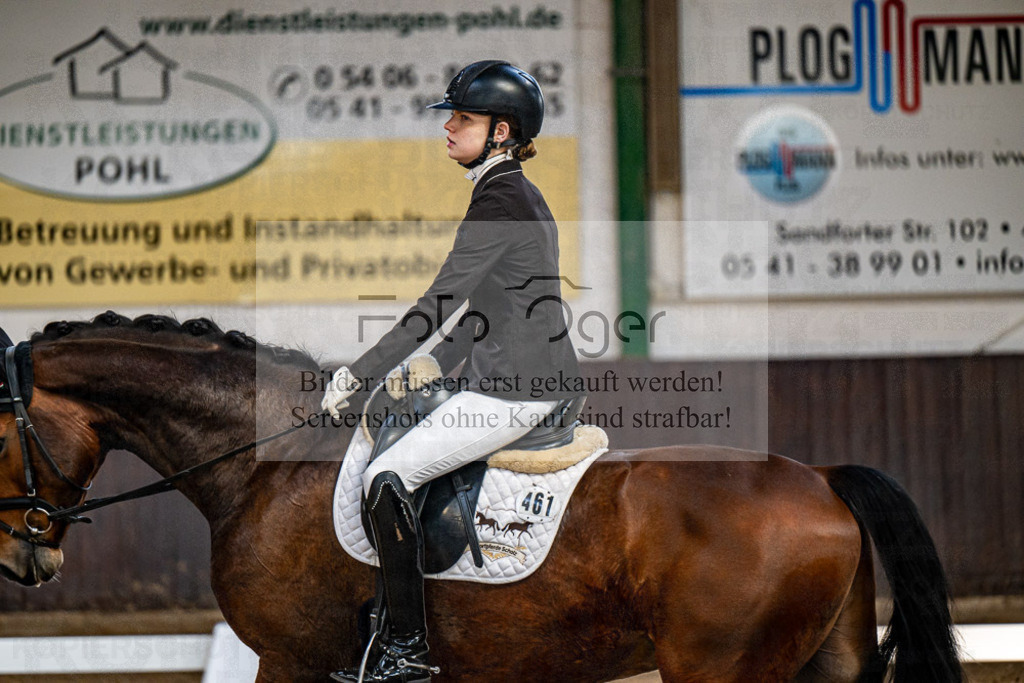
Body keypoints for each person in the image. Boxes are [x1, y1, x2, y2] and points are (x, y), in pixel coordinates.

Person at [322, 60, 583, 683]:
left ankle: (405, 647)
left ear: (500, 131)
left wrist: (359, 374)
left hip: (517, 390)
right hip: (517, 375)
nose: (448, 128)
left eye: (462, 118)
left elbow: (439, 301)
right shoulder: (513, 192)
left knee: (386, 475)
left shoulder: (501, 200)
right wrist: (431, 362)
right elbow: (486, 306)